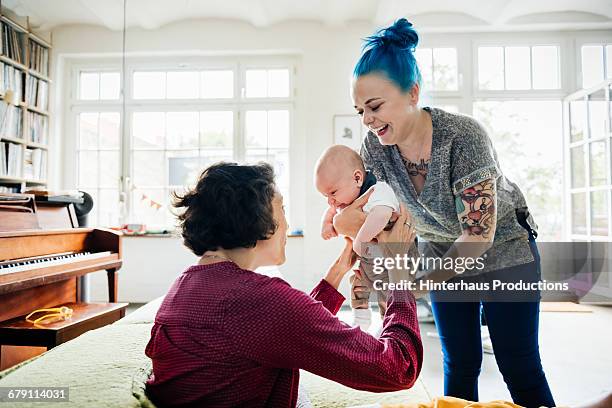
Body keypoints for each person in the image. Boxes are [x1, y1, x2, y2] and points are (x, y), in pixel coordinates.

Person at [333, 18, 556, 408]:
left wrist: (416, 284)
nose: (367, 120)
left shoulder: (463, 137)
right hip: (440, 250)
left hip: (506, 252)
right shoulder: (376, 148)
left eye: (374, 106)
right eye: (359, 111)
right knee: (460, 362)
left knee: (519, 365)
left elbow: (478, 235)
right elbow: (364, 212)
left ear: (413, 92)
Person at [144, 162, 423, 408]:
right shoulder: (257, 299)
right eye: (282, 211)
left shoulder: (186, 284)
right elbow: (399, 368)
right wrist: (398, 267)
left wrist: (338, 271)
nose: (287, 225)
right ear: (255, 219)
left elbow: (284, 328)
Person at [315, 144, 405, 331]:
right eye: (325, 195)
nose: (330, 201)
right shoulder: (344, 197)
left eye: (332, 193)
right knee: (357, 287)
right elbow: (330, 210)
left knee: (386, 292)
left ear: (357, 178)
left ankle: (387, 326)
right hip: (367, 260)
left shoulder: (377, 191)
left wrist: (360, 239)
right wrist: (327, 224)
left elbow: (381, 213)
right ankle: (361, 322)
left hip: (389, 260)